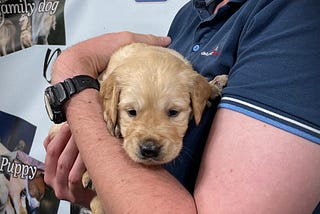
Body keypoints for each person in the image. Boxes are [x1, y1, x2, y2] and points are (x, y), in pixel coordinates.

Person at [43, 0, 320, 213]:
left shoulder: (298, 15)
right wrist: (101, 187)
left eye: (173, 113)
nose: (150, 141)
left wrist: (73, 76)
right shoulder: (190, 14)